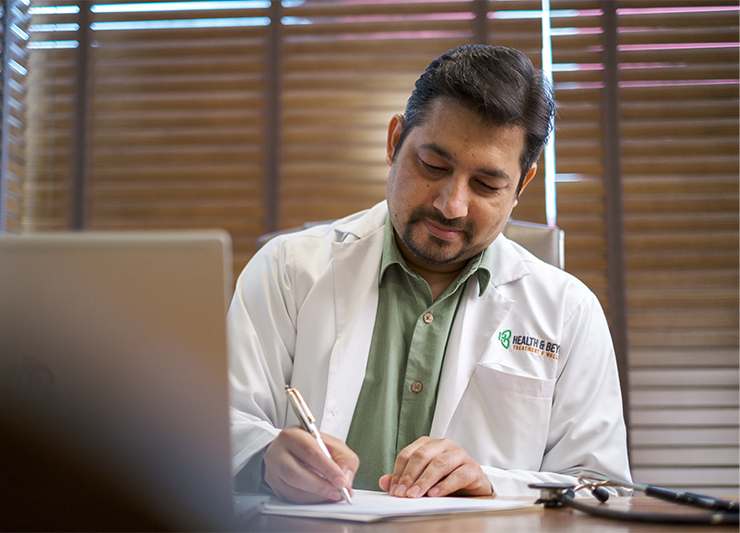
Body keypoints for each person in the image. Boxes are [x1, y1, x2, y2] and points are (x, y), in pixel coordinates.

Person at [229, 44, 631, 504]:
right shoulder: (287, 270)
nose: (451, 205)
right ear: (394, 141)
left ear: (521, 184)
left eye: (486, 185)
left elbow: (604, 486)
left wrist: (494, 484)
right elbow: (221, 427)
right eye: (433, 166)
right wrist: (264, 457)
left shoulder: (569, 312)